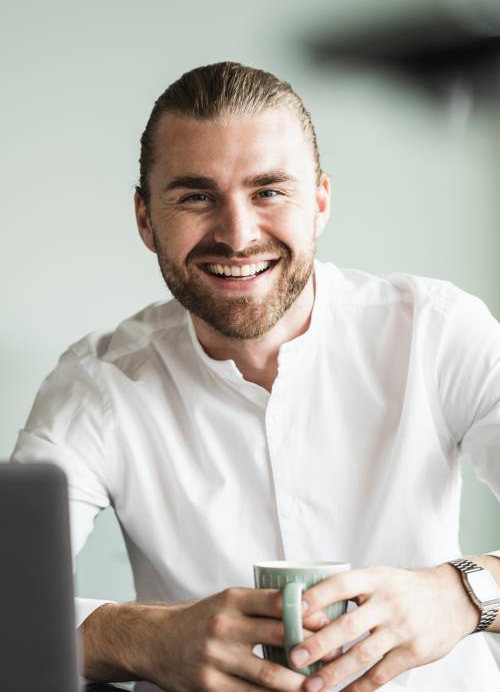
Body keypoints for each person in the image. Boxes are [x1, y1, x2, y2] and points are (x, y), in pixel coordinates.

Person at [12, 62, 500, 692]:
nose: (238, 235)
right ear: (144, 218)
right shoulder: (99, 384)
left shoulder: (437, 331)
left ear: (319, 202)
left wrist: (462, 595)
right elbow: (8, 603)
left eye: (269, 191)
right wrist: (143, 637)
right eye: (195, 196)